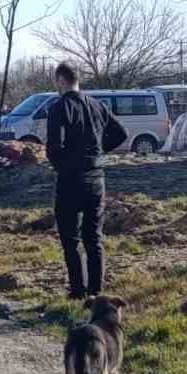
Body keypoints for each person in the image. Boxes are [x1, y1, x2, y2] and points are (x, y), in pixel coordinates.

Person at [45, 62, 126, 300]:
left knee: (70, 238)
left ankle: (78, 291)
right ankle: (97, 292)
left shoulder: (59, 107)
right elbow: (121, 133)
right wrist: (99, 153)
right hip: (96, 178)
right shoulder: (97, 105)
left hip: (71, 179)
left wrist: (63, 167)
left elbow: (54, 147)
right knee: (94, 237)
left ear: (61, 80)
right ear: (78, 79)